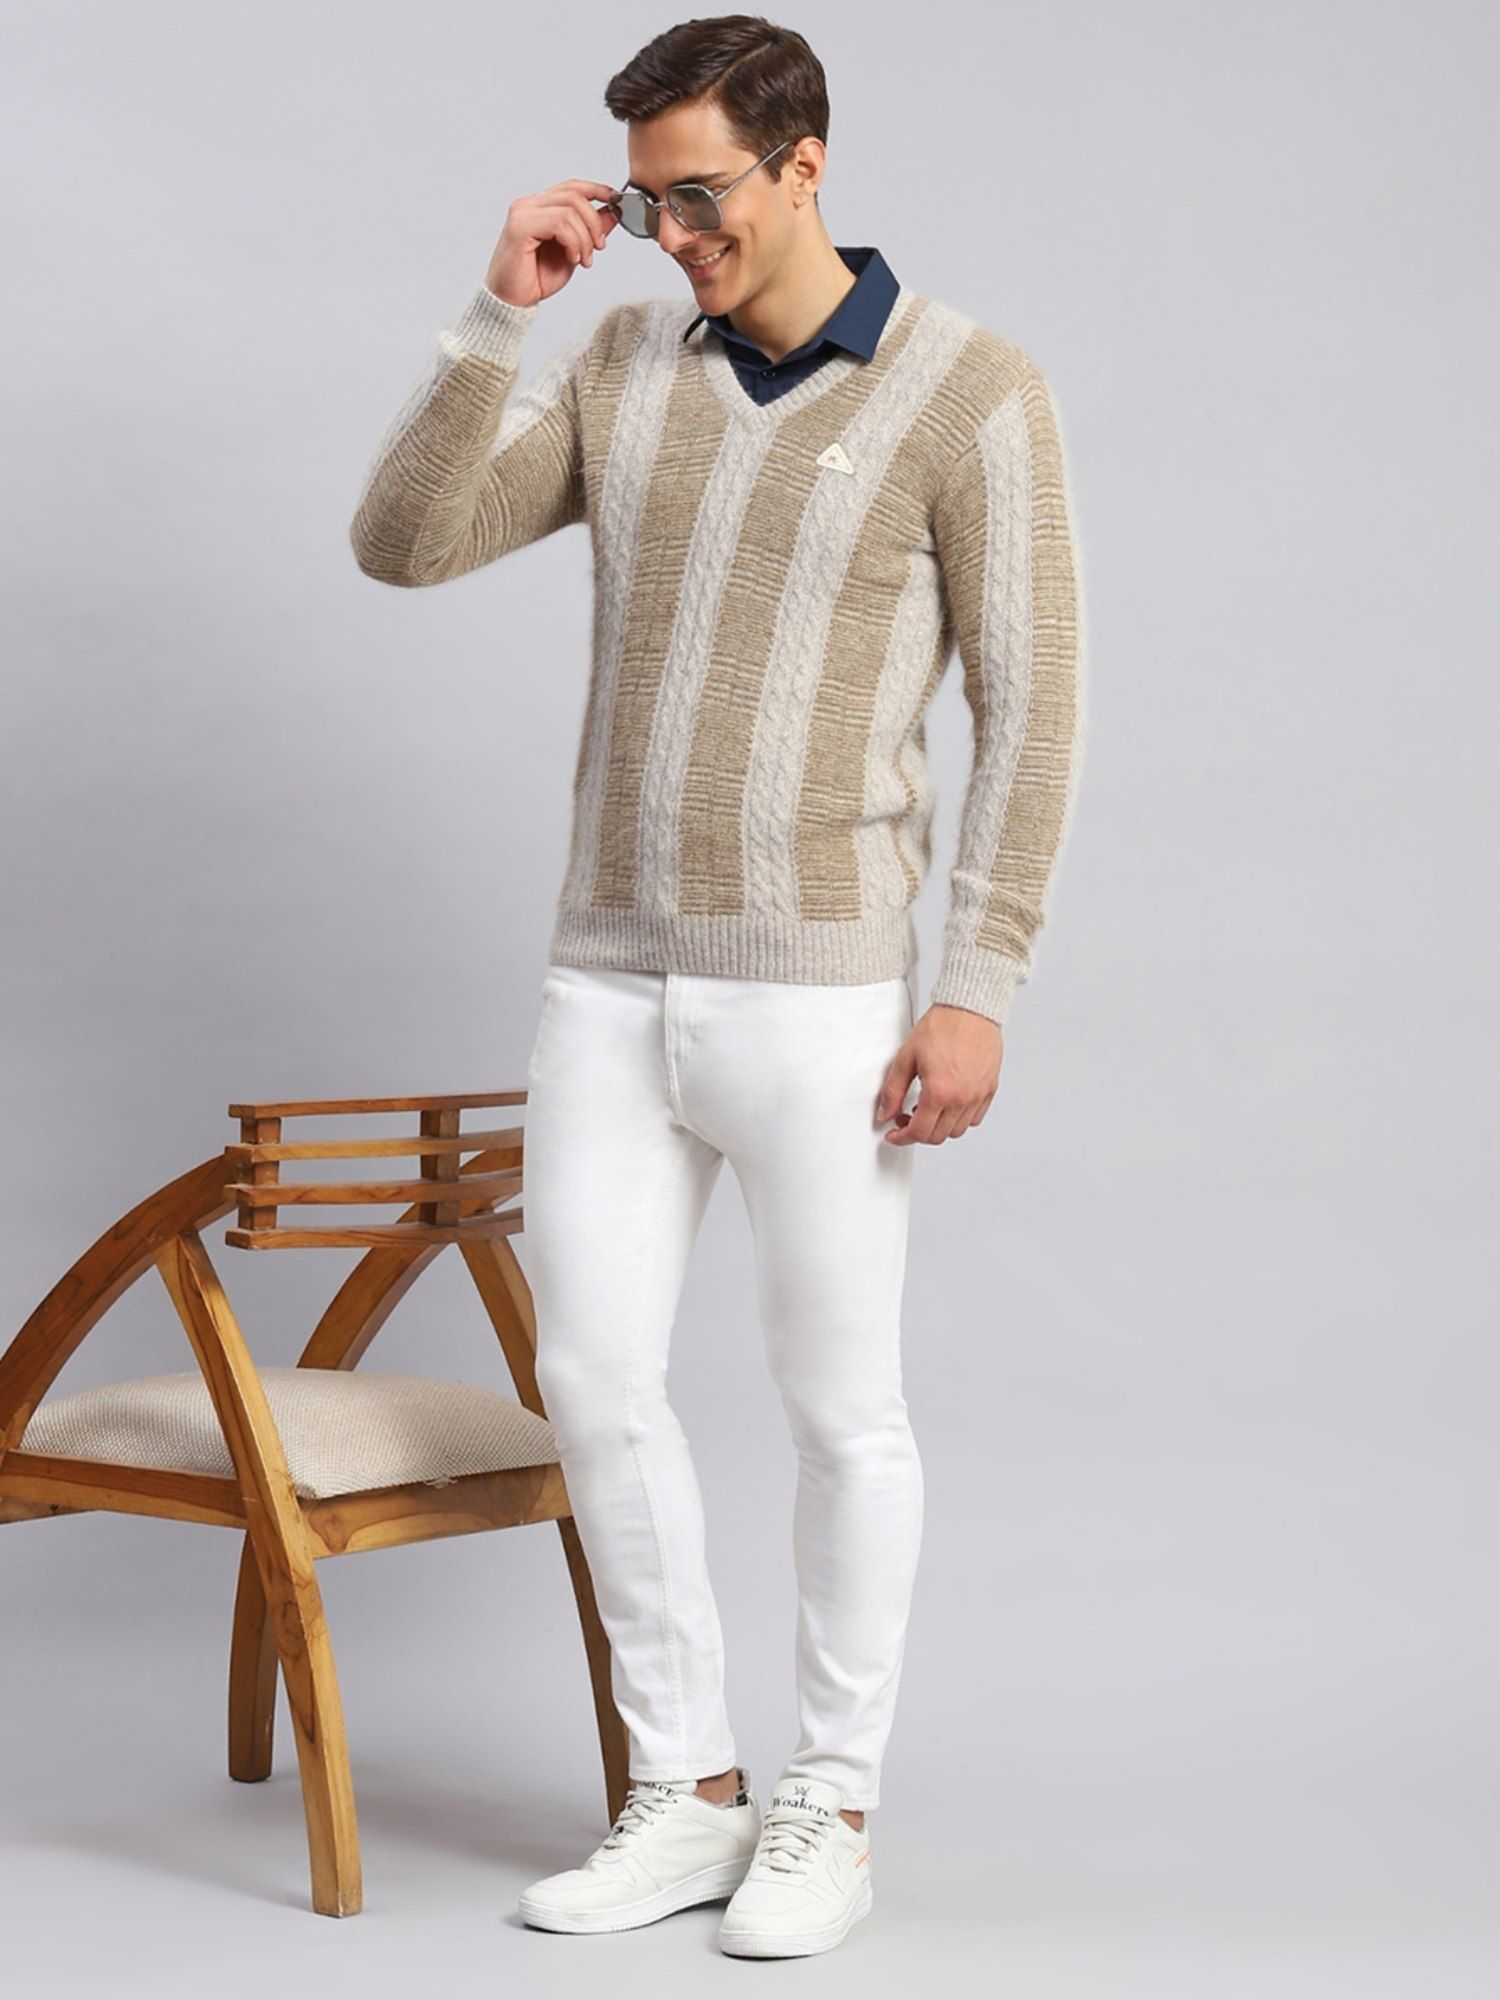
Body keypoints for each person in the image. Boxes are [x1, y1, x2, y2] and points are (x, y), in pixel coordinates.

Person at [349, 12, 1086, 1960]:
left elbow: (1036, 709)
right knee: (592, 1384)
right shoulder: (623, 364)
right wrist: (493, 316)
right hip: (606, 978)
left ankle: (829, 1804)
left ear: (804, 162)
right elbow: (403, 547)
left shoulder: (970, 389)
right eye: (647, 202)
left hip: (824, 997)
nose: (674, 235)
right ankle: (685, 1793)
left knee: (842, 1408)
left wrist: (978, 982)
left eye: (703, 197)